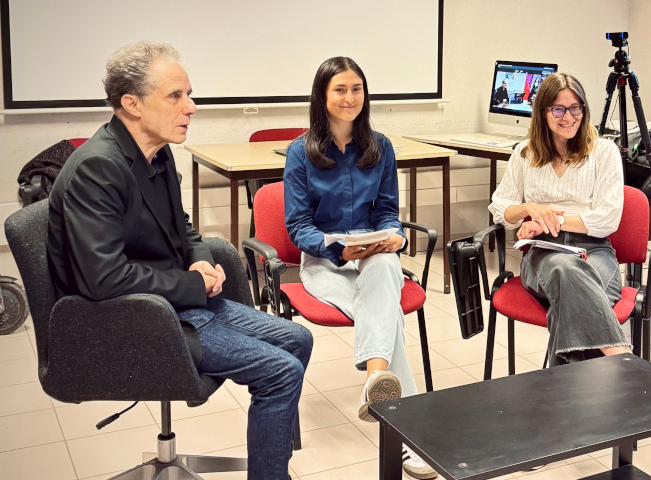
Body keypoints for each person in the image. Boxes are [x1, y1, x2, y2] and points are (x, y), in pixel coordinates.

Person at [47, 41, 312, 480]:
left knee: (297, 340)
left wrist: (201, 261)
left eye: (188, 94)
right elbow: (103, 279)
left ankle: (270, 462)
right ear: (131, 103)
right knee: (281, 370)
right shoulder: (98, 168)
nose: (191, 106)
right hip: (126, 319)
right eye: (176, 96)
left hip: (173, 303)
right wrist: (193, 285)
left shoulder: (156, 150)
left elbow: (183, 227)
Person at [283, 56, 437, 480]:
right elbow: (298, 227)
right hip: (326, 262)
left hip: (374, 258)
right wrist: (335, 250)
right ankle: (408, 425)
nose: (350, 98)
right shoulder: (300, 152)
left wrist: (395, 236)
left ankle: (376, 381)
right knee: (386, 316)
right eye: (340, 90)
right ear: (322, 96)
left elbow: (388, 210)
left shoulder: (380, 146)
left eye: (356, 89)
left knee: (387, 263)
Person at [488, 72, 632, 367]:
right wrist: (528, 208)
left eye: (575, 108)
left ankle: (561, 402)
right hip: (544, 252)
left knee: (568, 304)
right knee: (567, 270)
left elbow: (607, 219)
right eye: (558, 109)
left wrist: (547, 217)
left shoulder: (603, 152)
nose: (568, 117)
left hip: (595, 250)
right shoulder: (525, 153)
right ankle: (620, 360)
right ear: (542, 112)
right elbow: (500, 208)